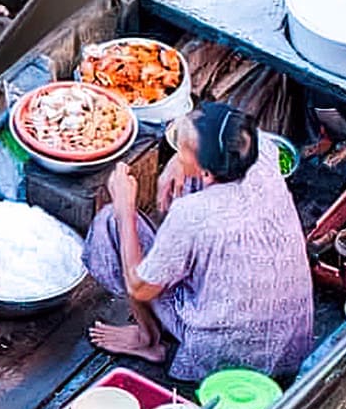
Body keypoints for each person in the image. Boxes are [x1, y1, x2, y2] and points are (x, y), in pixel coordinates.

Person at [84, 103, 315, 381]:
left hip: (223, 354)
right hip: (286, 341)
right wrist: (175, 165)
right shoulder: (263, 148)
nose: (177, 155)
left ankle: (147, 338)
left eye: (180, 152)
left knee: (111, 223)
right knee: (186, 187)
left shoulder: (193, 215)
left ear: (207, 171)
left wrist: (124, 205)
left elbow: (139, 287)